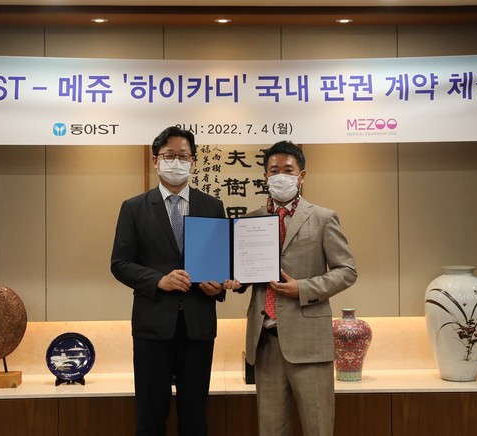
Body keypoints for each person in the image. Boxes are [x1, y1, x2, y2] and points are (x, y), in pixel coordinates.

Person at [225, 140, 357, 436]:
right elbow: (245, 272)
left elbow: (347, 271)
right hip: (265, 343)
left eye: (288, 170)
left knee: (318, 429)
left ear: (302, 175)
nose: (280, 176)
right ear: (265, 176)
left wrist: (303, 288)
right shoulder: (250, 221)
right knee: (271, 430)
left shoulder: (323, 218)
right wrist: (235, 280)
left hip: (309, 344)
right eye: (274, 171)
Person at [110, 126, 227, 436]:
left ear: (193, 161)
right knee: (150, 417)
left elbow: (220, 264)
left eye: (183, 156)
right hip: (152, 327)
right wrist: (158, 280)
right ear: (155, 161)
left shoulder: (212, 207)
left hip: (198, 326)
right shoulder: (134, 208)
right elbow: (120, 264)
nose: (177, 162)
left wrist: (218, 287)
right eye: (169, 155)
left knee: (195, 416)